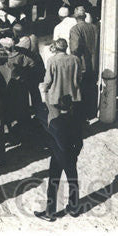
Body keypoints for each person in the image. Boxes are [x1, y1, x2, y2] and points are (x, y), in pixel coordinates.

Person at [34, 94, 84, 222]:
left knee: (53, 183)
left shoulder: (55, 123)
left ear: (59, 107)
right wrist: (74, 154)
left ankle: (50, 212)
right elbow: (79, 142)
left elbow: (57, 143)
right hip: (71, 157)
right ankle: (74, 208)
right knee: (73, 182)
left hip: (58, 156)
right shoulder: (76, 121)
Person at [68, 7, 99, 120]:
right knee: (91, 87)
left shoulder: (75, 29)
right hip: (94, 63)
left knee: (81, 89)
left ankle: (83, 114)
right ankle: (92, 112)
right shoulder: (94, 27)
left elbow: (74, 48)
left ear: (75, 17)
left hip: (82, 64)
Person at [41, 39, 82, 122]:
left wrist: (44, 89)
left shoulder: (52, 60)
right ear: (66, 47)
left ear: (56, 48)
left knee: (54, 118)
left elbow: (48, 80)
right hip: (72, 95)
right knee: (70, 118)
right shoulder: (75, 59)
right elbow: (79, 77)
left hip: (56, 95)